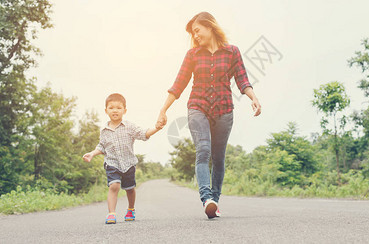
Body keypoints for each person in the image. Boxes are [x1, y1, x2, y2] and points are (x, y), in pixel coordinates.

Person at [156, 12, 262, 219]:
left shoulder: (232, 52)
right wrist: (163, 109)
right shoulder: (193, 55)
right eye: (193, 33)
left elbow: (242, 79)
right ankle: (206, 199)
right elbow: (178, 84)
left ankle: (215, 201)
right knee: (203, 149)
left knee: (219, 157)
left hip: (224, 109)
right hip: (198, 107)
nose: (195, 36)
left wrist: (253, 97)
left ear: (210, 27)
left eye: (198, 30)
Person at [82, 93, 161, 224]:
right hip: (112, 163)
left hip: (128, 164)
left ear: (124, 110)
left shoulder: (129, 126)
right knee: (114, 186)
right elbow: (102, 146)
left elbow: (143, 133)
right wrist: (92, 153)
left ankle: (131, 209)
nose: (115, 110)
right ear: (106, 110)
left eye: (118, 108)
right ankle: (111, 213)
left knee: (130, 188)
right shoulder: (104, 130)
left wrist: (156, 128)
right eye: (111, 107)